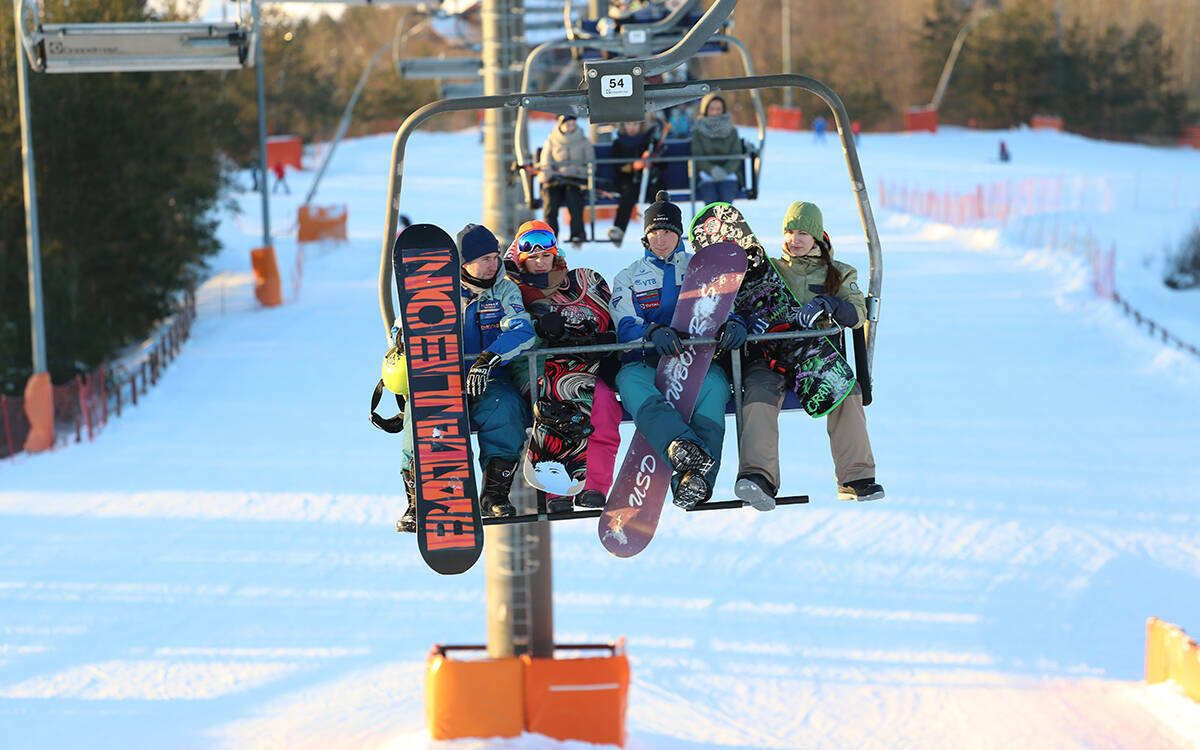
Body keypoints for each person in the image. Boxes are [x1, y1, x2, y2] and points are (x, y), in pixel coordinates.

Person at [734, 201, 884, 510]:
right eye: (789, 232)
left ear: (816, 235)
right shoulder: (769, 270)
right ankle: (759, 477)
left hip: (814, 356)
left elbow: (857, 314)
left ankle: (856, 477)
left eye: (803, 233)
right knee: (759, 393)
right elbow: (740, 302)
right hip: (770, 356)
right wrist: (749, 321)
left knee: (846, 391)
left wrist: (829, 304)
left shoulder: (837, 273)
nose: (795, 240)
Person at [609, 191, 748, 508]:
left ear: (679, 233)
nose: (661, 239)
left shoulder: (702, 267)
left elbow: (727, 306)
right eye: (654, 232)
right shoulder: (629, 276)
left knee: (714, 386)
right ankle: (681, 448)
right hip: (646, 362)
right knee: (629, 383)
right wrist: (651, 331)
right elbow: (624, 323)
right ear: (646, 236)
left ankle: (695, 481)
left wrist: (734, 324)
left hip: (694, 362)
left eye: (668, 231)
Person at [395, 223, 537, 532]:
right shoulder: (435, 289)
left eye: (495, 257)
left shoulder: (504, 290)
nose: (493, 265)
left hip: (488, 378)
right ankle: (418, 501)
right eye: (484, 259)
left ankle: (495, 494)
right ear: (464, 262)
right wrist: (403, 337)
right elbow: (402, 326)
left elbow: (523, 331)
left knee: (506, 408)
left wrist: (491, 357)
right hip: (440, 378)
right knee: (420, 415)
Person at [505, 220, 622, 512]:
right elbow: (508, 330)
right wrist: (540, 329)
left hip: (581, 367)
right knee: (558, 396)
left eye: (546, 256)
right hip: (535, 367)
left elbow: (601, 317)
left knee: (604, 401)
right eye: (533, 258)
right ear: (521, 259)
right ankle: (556, 488)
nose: (540, 263)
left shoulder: (576, 284)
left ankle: (594, 484)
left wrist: (601, 338)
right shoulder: (511, 290)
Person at [607, 118, 666, 246]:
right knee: (628, 194)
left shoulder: (650, 140)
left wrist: (655, 160)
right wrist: (634, 166)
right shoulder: (619, 143)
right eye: (628, 123)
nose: (632, 127)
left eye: (635, 124)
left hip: (649, 178)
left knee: (657, 194)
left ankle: (662, 227)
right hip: (628, 179)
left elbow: (664, 163)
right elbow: (618, 166)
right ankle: (619, 229)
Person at [538, 115, 595, 247]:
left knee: (574, 200)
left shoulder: (584, 142)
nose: (571, 127)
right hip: (555, 180)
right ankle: (550, 238)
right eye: (567, 124)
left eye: (573, 124)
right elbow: (545, 164)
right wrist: (553, 173)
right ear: (561, 126)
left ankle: (578, 234)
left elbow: (591, 165)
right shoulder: (551, 141)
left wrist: (575, 170)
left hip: (575, 180)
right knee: (550, 203)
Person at [691, 94, 742, 206]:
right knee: (710, 197)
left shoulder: (732, 131)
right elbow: (697, 155)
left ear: (723, 110)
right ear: (705, 110)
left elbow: (736, 154)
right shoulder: (698, 131)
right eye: (712, 109)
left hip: (728, 174)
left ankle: (726, 217)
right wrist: (711, 169)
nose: (715, 112)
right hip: (706, 175)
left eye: (718, 109)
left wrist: (725, 170)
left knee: (726, 194)